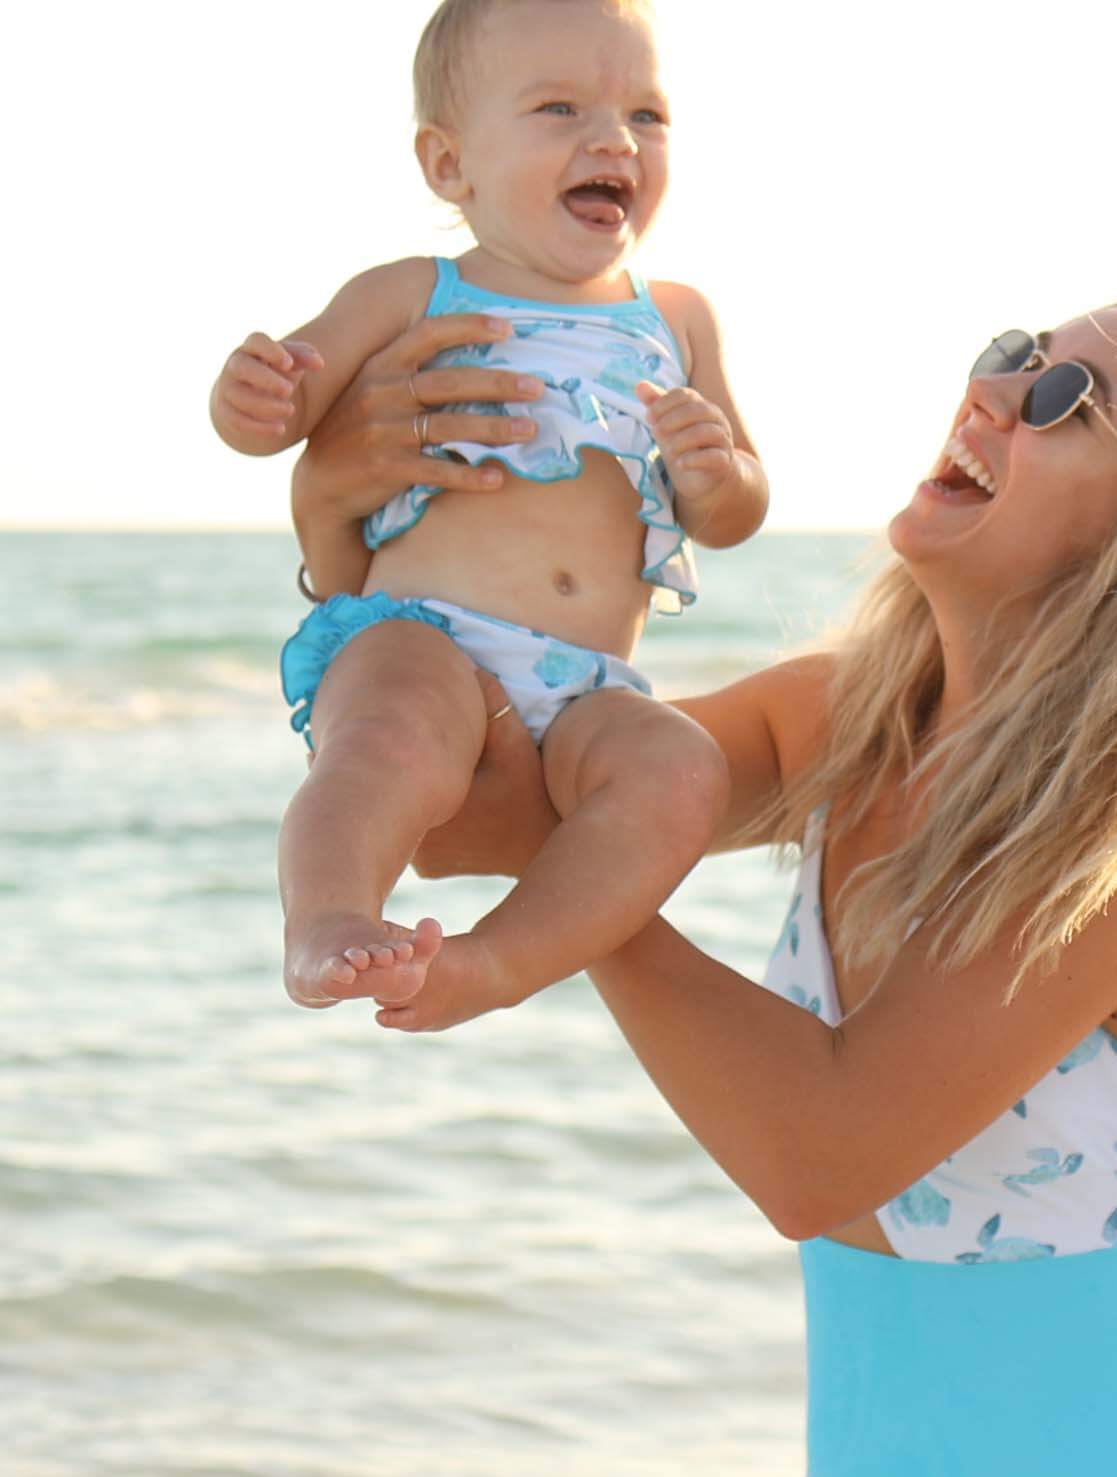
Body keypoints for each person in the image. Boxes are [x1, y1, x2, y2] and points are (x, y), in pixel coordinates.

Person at [294, 285, 1117, 1477]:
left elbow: (820, 1151)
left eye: (1065, 404)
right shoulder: (851, 723)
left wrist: (602, 895)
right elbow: (488, 801)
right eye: (1012, 355)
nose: (997, 394)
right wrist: (345, 530)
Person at [209, 0, 764, 1028]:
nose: (613, 139)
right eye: (559, 108)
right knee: (386, 741)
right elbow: (286, 413)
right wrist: (250, 397)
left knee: (683, 770)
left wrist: (715, 469)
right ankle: (328, 919)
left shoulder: (677, 316)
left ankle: (494, 965)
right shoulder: (412, 291)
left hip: (589, 684)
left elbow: (735, 509)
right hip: (423, 634)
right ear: (448, 164)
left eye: (645, 114)